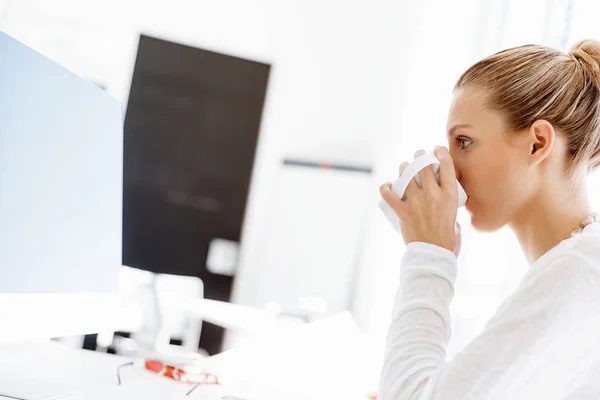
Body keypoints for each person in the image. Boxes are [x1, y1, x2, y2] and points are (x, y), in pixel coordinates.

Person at [377, 39, 600, 400]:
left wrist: (428, 257)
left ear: (537, 143)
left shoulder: (582, 266)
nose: (448, 169)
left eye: (463, 142)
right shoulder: (577, 267)